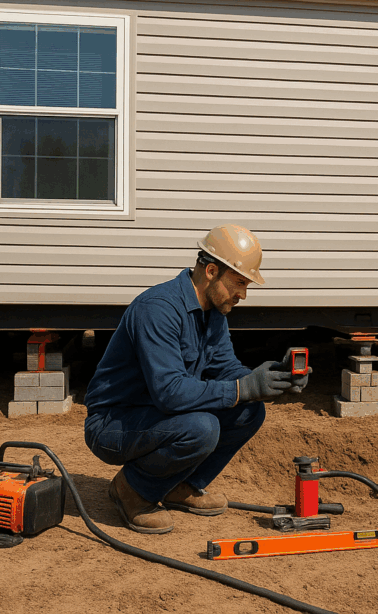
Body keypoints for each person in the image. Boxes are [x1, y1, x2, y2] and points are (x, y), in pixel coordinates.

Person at [84, 224, 310, 534]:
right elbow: (169, 392)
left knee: (249, 412)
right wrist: (243, 388)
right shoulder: (158, 309)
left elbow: (227, 369)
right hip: (114, 423)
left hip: (158, 416)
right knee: (202, 428)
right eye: (239, 283)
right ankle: (131, 490)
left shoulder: (212, 312)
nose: (243, 294)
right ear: (211, 271)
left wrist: (267, 382)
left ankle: (178, 485)